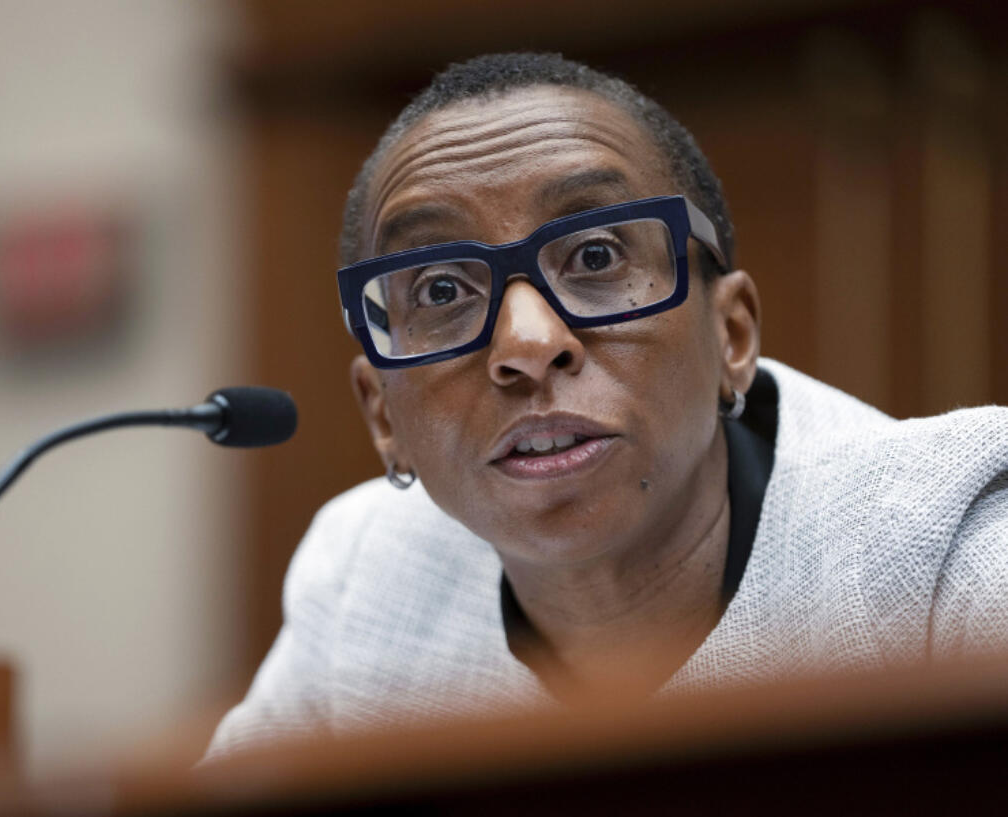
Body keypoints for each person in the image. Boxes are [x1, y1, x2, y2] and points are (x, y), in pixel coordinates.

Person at [205, 53, 1008, 757]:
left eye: (596, 256)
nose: (526, 341)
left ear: (731, 334)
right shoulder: (364, 578)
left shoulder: (945, 547)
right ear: (383, 414)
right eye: (442, 290)